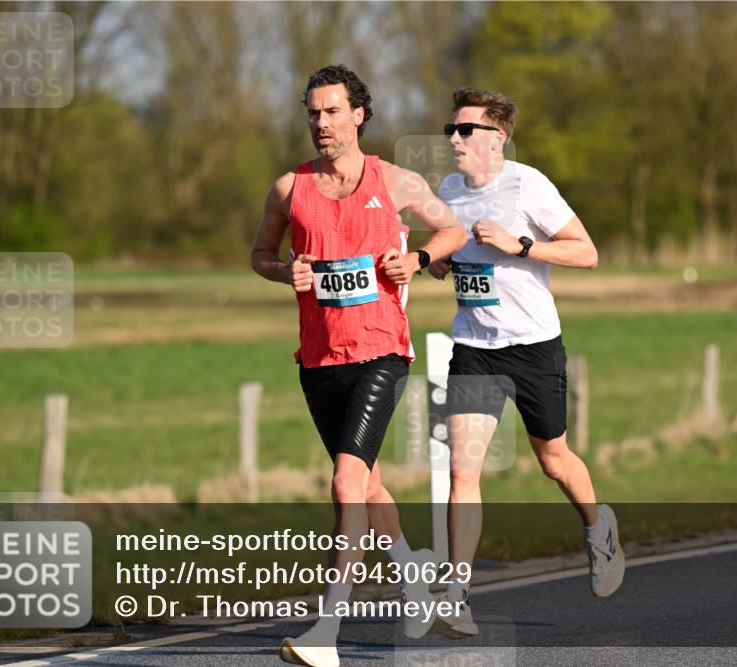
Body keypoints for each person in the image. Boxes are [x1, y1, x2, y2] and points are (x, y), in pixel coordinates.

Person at [250, 65, 467, 667]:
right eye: (313, 113)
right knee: (367, 484)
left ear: (358, 115)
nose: (321, 123)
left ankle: (326, 631)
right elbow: (260, 253)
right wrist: (281, 272)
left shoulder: (395, 182)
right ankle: (414, 582)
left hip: (381, 351)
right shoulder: (288, 189)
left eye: (332, 112)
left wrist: (419, 258)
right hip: (319, 358)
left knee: (344, 483)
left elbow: (452, 229)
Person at [428, 88, 625, 637]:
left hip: (534, 345)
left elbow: (586, 252)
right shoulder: (448, 190)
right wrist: (439, 264)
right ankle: (456, 594)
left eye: (465, 131)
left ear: (498, 138)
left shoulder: (528, 184)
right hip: (473, 346)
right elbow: (451, 251)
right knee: (462, 470)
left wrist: (521, 246)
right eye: (450, 130)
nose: (454, 140)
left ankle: (597, 527)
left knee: (554, 459)